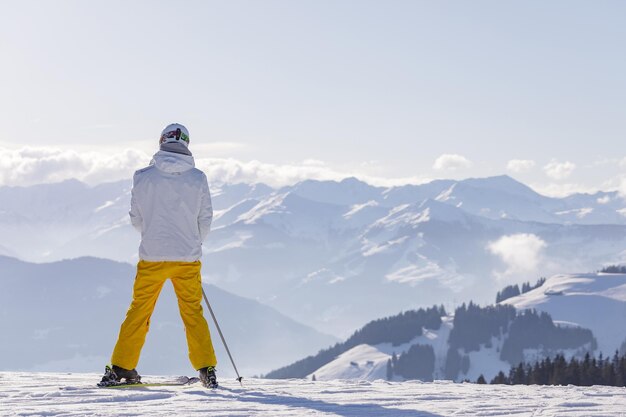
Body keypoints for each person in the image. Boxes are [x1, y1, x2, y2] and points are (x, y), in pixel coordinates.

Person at [99, 123, 218, 388]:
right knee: (192, 313)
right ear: (186, 144)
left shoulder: (142, 176)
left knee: (139, 311)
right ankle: (206, 368)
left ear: (162, 141)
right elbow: (205, 219)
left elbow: (136, 218)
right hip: (187, 258)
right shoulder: (198, 178)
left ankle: (121, 367)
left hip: (152, 256)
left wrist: (152, 236)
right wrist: (192, 242)